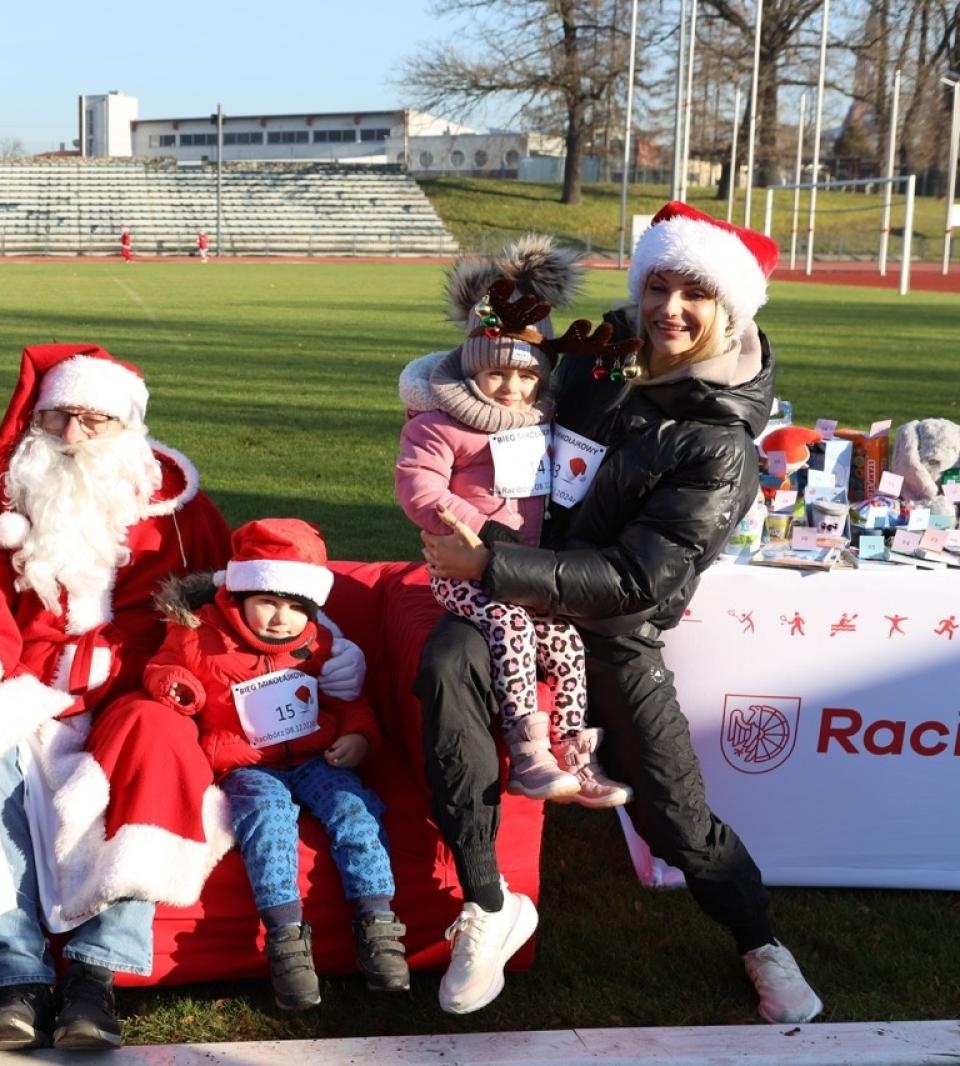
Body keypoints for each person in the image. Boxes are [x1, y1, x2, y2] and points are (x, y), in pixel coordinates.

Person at [417, 203, 824, 1025]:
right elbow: (500, 384)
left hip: (609, 629)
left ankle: (758, 939)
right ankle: (490, 903)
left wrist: (494, 564)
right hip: (512, 597)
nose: (669, 308)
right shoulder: (594, 359)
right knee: (444, 669)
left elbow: (642, 578)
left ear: (731, 312)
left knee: (676, 816)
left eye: (695, 295)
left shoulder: (720, 443)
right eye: (659, 285)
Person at [0, 344, 368, 1051]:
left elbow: (240, 602)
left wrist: (309, 652)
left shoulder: (183, 515)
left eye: (95, 421)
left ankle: (95, 974)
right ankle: (14, 973)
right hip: (27, 691)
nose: (74, 438)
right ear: (36, 422)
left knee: (162, 745)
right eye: (59, 419)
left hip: (147, 689)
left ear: (128, 430)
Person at [396, 239, 631, 809]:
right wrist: (479, 532)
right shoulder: (438, 423)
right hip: (463, 568)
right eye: (498, 373)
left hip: (524, 572)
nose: (513, 388)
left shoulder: (539, 422)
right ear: (474, 368)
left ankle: (576, 749)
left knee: (567, 643)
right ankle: (528, 752)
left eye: (526, 377)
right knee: (512, 628)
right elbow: (419, 486)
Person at [142, 518, 409, 1011]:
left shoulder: (317, 645)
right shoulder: (199, 636)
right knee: (268, 821)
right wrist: (176, 687)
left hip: (316, 756)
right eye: (268, 601)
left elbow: (348, 699)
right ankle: (286, 940)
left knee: (354, 811)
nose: (281, 618)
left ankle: (377, 924)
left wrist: (357, 736)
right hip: (245, 764)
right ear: (240, 593)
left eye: (295, 607)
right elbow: (163, 667)